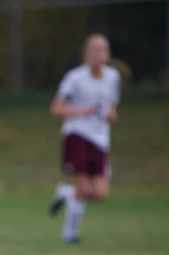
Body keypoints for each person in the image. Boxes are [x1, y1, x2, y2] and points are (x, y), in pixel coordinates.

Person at [49, 34, 121, 243]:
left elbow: (111, 109)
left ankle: (65, 193)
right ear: (86, 53)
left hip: (100, 139)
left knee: (99, 194)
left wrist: (111, 115)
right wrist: (83, 111)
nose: (99, 54)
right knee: (82, 189)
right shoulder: (75, 77)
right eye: (95, 49)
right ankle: (70, 234)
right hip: (77, 133)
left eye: (103, 50)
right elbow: (56, 108)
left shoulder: (113, 77)